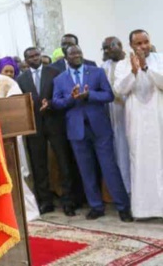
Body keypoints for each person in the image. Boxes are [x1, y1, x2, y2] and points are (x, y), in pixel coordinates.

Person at [52, 45, 132, 222]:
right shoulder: (60, 79)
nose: (77, 55)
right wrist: (71, 99)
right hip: (77, 131)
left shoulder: (97, 72)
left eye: (79, 52)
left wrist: (89, 95)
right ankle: (96, 206)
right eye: (73, 54)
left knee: (109, 167)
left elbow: (109, 95)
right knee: (86, 170)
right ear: (66, 57)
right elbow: (56, 103)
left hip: (100, 129)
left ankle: (123, 207)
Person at [16, 47, 78, 216]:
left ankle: (68, 201)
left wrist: (50, 103)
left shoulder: (55, 72)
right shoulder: (21, 79)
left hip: (55, 123)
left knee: (63, 162)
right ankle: (45, 202)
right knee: (39, 165)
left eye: (37, 55)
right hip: (34, 127)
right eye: (31, 57)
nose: (35, 58)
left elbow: (63, 94)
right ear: (26, 60)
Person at [114, 29, 163, 218]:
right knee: (139, 160)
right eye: (139, 43)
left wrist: (146, 68)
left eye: (146, 42)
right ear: (131, 46)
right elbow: (119, 90)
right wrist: (133, 72)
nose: (143, 46)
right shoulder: (122, 65)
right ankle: (143, 209)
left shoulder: (159, 59)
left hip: (158, 116)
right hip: (136, 120)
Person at [0, 72, 39, 221]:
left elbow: (17, 107)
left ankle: (28, 211)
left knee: (14, 173)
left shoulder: (4, 82)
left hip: (7, 136)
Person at [101, 36, 131, 193]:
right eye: (104, 48)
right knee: (119, 151)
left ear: (120, 45)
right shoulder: (104, 66)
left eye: (110, 47)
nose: (107, 51)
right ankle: (125, 190)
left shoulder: (130, 63)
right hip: (113, 113)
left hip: (132, 110)